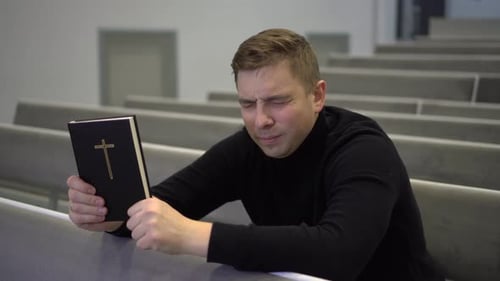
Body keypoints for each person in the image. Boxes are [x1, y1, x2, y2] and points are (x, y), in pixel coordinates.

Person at [67, 28, 444, 280]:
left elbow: (340, 253)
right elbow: (158, 206)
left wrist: (193, 236)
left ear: (317, 96)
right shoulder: (247, 149)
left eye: (277, 102)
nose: (260, 120)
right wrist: (108, 215)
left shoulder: (363, 149)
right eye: (248, 104)